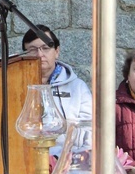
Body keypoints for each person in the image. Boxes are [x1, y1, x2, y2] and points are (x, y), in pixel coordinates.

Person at [21, 24, 91, 157]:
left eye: (45, 48)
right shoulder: (15, 86)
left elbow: (90, 131)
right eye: (32, 49)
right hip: (25, 161)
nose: (40, 54)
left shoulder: (78, 87)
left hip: (68, 163)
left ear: (56, 51)